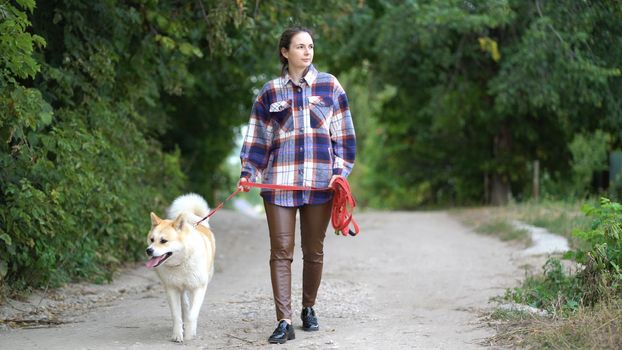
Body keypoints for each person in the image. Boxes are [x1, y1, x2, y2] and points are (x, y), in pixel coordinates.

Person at [238, 26, 356, 344]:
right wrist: (248, 172)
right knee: (281, 251)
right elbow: (257, 140)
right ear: (285, 52)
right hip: (279, 183)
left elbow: (343, 137)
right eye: (300, 46)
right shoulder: (270, 92)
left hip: (320, 184)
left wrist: (339, 172)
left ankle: (308, 307)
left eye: (311, 46)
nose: (307, 51)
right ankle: (284, 321)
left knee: (314, 250)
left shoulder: (330, 86)